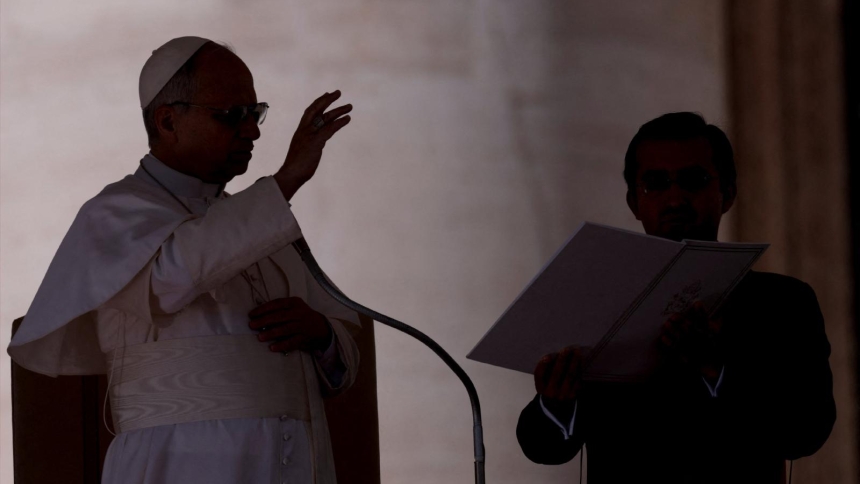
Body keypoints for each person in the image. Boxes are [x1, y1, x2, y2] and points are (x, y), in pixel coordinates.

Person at [8, 36, 361, 484]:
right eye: (232, 116)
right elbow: (169, 279)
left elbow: (344, 352)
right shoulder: (115, 212)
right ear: (169, 120)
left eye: (255, 114)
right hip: (178, 463)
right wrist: (287, 180)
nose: (252, 131)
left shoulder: (262, 225)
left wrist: (322, 333)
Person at [516, 112, 836, 483]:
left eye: (693, 180)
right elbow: (542, 448)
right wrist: (557, 404)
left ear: (728, 192)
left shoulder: (782, 303)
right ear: (634, 201)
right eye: (655, 183)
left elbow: (807, 431)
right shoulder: (604, 304)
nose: (675, 198)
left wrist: (717, 369)